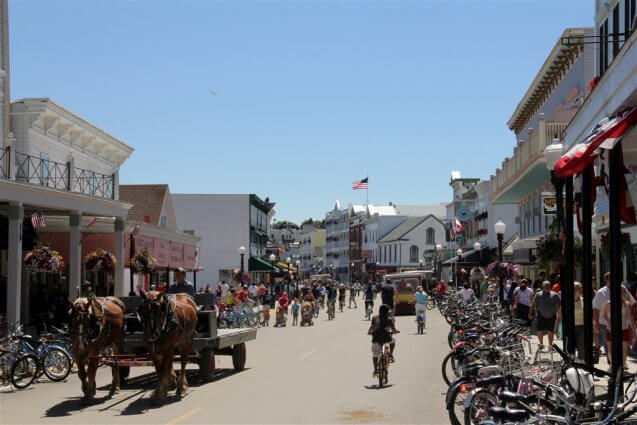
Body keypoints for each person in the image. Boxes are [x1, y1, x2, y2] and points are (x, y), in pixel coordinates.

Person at [593, 272, 636, 359]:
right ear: (606, 280)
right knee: (608, 346)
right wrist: (596, 323)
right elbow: (596, 309)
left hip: (622, 324)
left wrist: (631, 323)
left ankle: (620, 362)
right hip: (605, 324)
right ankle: (612, 364)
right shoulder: (601, 292)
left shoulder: (623, 289)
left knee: (622, 345)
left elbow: (631, 304)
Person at [603, 286, 637, 370]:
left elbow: (630, 318)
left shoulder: (627, 304)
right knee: (610, 350)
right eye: (621, 292)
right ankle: (613, 365)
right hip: (611, 330)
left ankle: (621, 367)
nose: (623, 294)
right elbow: (604, 315)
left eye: (624, 292)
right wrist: (608, 322)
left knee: (624, 351)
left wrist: (634, 331)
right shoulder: (609, 303)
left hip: (624, 329)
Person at [368, 304, 400, 377]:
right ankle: (391, 355)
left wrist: (369, 332)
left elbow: (372, 327)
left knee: (375, 355)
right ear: (387, 311)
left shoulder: (374, 317)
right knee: (393, 340)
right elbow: (393, 330)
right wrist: (395, 331)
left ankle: (376, 370)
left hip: (376, 338)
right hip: (386, 338)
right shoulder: (389, 318)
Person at [529, 281, 561, 348]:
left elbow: (559, 304)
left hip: (552, 316)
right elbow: (533, 304)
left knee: (550, 331)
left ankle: (550, 345)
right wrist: (530, 313)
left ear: (550, 287)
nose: (547, 287)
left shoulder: (555, 295)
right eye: (545, 286)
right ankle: (541, 344)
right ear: (542, 287)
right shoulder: (538, 294)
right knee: (539, 330)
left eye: (548, 286)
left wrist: (558, 312)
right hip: (541, 315)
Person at [573, 282, 586, 361]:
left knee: (582, 347)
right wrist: (556, 326)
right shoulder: (568, 300)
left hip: (582, 326)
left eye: (581, 288)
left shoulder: (584, 300)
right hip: (571, 326)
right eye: (579, 288)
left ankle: (581, 363)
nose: (581, 289)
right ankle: (572, 363)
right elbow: (560, 314)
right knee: (571, 346)